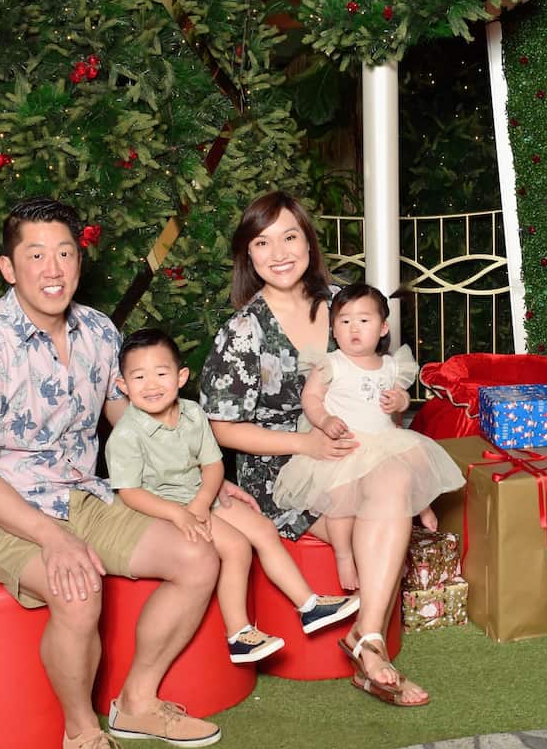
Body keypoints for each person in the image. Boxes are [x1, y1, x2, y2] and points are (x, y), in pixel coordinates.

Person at [0, 197, 222, 749]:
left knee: (198, 557)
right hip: (3, 512)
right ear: (8, 268)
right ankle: (82, 730)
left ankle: (137, 702)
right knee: (78, 587)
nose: (53, 268)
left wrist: (197, 488)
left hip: (85, 496)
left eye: (65, 253)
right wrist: (51, 536)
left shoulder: (98, 331)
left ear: (79, 259)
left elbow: (134, 424)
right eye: (35, 255)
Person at [199, 191, 431, 706]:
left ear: (308, 241)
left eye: (289, 237)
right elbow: (221, 428)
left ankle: (365, 639)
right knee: (381, 507)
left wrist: (393, 410)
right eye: (262, 242)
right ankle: (371, 650)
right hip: (281, 468)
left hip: (360, 449)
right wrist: (306, 441)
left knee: (390, 486)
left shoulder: (347, 303)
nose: (279, 252)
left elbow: (379, 382)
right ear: (248, 254)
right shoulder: (242, 331)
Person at [105, 328, 359, 664]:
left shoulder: (193, 413)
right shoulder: (126, 435)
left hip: (198, 495)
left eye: (161, 373)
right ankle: (239, 633)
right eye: (139, 377)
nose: (151, 384)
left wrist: (200, 501)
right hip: (159, 509)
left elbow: (212, 466)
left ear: (181, 377)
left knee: (263, 530)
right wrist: (180, 513)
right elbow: (130, 492)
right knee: (237, 546)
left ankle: (309, 606)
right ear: (123, 386)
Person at [272, 283, 464, 592]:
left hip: (384, 441)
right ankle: (344, 555)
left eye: (364, 320)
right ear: (334, 330)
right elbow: (311, 399)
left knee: (417, 457)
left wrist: (400, 401)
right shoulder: (332, 364)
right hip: (348, 444)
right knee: (340, 499)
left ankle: (421, 504)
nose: (354, 328)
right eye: (344, 321)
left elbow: (400, 401)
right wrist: (324, 420)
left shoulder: (391, 365)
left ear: (383, 327)